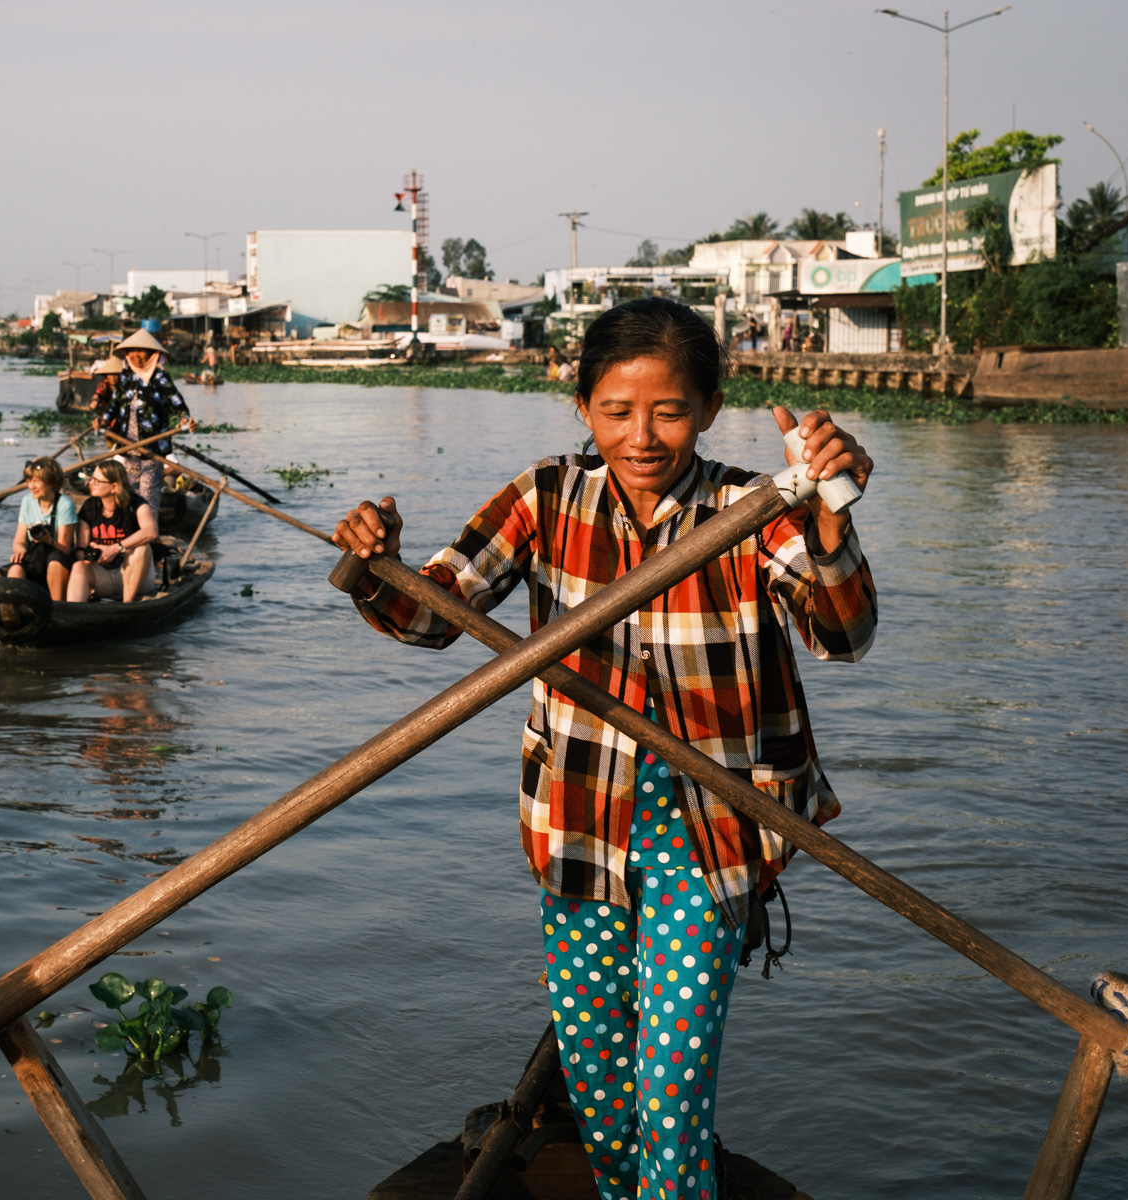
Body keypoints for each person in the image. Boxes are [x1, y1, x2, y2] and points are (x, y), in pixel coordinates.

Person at [332, 297, 876, 1200]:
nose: (643, 436)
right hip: (581, 820)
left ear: (707, 408)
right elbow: (434, 613)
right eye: (617, 412)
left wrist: (827, 520)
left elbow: (842, 635)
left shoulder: (751, 506)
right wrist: (374, 564)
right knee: (596, 1077)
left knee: (672, 1088)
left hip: (715, 827)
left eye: (668, 410)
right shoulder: (548, 495)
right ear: (583, 407)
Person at [97, 327, 192, 515]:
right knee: (128, 493)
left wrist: (185, 421)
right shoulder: (125, 377)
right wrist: (103, 420)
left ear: (151, 354)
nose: (135, 355)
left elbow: (179, 405)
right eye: (131, 351)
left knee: (148, 496)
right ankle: (132, 534)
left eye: (140, 351)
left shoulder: (160, 378)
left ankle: (150, 537)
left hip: (151, 448)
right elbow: (114, 406)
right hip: (127, 446)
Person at [67, 458, 159, 603]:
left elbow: (151, 531)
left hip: (133, 575)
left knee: (142, 548)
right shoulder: (90, 507)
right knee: (79, 567)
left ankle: (127, 605)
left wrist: (115, 549)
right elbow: (80, 550)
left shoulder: (136, 503)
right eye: (92, 479)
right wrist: (95, 557)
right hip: (103, 575)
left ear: (114, 487)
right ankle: (73, 611)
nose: (91, 484)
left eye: (97, 481)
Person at [6, 457, 76, 599]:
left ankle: (58, 606)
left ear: (51, 482)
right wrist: (19, 551)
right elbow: (18, 541)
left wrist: (49, 540)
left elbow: (65, 548)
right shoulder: (27, 501)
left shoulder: (64, 504)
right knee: (15, 567)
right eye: (29, 481)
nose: (31, 486)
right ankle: (15, 607)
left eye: (36, 481)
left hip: (58, 558)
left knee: (55, 559)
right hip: (35, 557)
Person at [88, 354, 123, 418]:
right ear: (106, 376)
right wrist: (95, 400)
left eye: (115, 374)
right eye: (110, 374)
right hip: (109, 416)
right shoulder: (104, 385)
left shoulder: (124, 386)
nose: (112, 378)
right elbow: (99, 393)